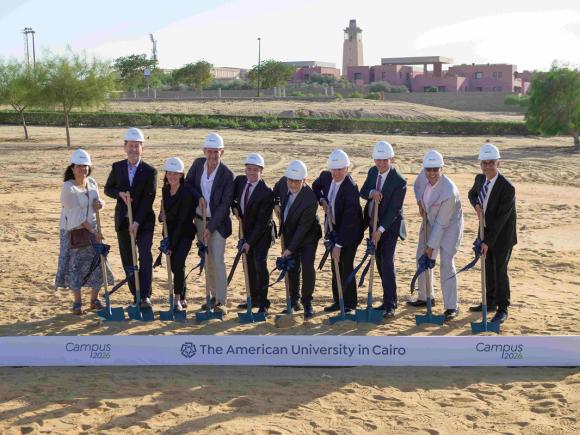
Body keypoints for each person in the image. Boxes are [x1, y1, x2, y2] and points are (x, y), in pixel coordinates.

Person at [56, 149, 114, 315]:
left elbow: (97, 201)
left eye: (86, 166)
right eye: (79, 166)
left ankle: (94, 299)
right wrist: (93, 231)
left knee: (98, 262)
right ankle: (77, 302)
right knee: (76, 266)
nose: (83, 169)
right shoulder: (68, 187)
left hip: (93, 229)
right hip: (74, 232)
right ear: (72, 168)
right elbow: (75, 215)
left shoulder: (92, 182)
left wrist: (99, 204)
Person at [104, 127, 157, 309]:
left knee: (145, 256)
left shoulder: (150, 171)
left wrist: (137, 222)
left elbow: (149, 198)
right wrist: (120, 194)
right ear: (125, 147)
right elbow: (108, 189)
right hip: (123, 222)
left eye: (137, 146)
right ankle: (136, 294)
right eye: (131, 146)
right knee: (128, 259)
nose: (134, 149)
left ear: (142, 148)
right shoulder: (117, 167)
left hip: (143, 222)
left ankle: (146, 296)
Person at [410, 150, 463, 321]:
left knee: (446, 261)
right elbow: (417, 187)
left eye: (435, 170)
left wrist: (431, 247)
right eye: (429, 170)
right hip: (429, 218)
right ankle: (426, 297)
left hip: (449, 226)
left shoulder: (449, 191)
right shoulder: (423, 175)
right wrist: (420, 202)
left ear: (442, 169)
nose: (431, 173)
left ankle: (451, 307)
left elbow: (441, 225)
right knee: (421, 256)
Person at [185, 132, 235, 315]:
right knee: (207, 261)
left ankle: (221, 301)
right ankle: (213, 297)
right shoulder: (198, 164)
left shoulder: (227, 175)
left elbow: (224, 205)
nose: (213, 155)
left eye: (217, 152)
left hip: (218, 224)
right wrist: (198, 196)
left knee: (217, 260)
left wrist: (210, 227)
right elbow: (188, 183)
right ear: (205, 151)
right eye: (210, 151)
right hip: (199, 220)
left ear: (222, 152)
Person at [468, 143, 516, 324]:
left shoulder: (507, 188)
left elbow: (501, 220)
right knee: (488, 268)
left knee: (499, 269)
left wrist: (487, 241)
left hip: (503, 236)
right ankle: (489, 301)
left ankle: (503, 308)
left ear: (498, 164)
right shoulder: (480, 179)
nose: (487, 166)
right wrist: (477, 205)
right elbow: (472, 194)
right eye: (484, 163)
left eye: (491, 163)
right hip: (485, 231)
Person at [312, 149, 364, 313]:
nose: (336, 173)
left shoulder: (351, 189)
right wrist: (321, 200)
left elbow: (349, 221)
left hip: (351, 232)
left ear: (347, 169)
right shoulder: (326, 176)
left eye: (340, 169)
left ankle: (350, 304)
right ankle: (338, 300)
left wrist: (339, 245)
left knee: (346, 265)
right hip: (333, 229)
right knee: (335, 265)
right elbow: (315, 186)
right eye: (333, 169)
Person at [360, 141, 407, 318]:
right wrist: (372, 192)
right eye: (377, 160)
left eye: (384, 160)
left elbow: (394, 210)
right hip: (373, 222)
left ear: (392, 159)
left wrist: (380, 230)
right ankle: (386, 300)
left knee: (386, 262)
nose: (380, 164)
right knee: (379, 261)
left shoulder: (399, 181)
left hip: (390, 226)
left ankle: (391, 304)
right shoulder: (373, 172)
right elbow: (363, 191)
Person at [232, 153, 275, 314]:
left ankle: (263, 302)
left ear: (261, 171)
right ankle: (252, 298)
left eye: (255, 170)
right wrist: (234, 207)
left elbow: (262, 222)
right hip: (245, 231)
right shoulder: (241, 181)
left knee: (259, 264)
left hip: (262, 234)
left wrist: (249, 242)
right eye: (249, 169)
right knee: (248, 265)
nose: (251, 172)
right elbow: (232, 199)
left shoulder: (266, 192)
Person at [279, 160, 322, 319]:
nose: (292, 183)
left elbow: (303, 228)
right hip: (290, 232)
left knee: (307, 266)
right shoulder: (284, 184)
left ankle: (307, 302)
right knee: (292, 267)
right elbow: (276, 192)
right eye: (290, 180)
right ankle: (294, 301)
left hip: (308, 237)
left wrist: (290, 249)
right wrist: (277, 204)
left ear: (304, 180)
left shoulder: (310, 199)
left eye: (297, 181)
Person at [159, 157, 196, 312]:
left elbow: (182, 220)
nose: (173, 176)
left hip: (185, 233)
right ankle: (183, 295)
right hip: (170, 233)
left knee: (178, 263)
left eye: (176, 173)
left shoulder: (186, 192)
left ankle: (177, 300)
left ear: (181, 174)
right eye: (170, 173)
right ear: (166, 174)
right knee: (175, 267)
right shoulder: (165, 190)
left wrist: (171, 245)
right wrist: (161, 217)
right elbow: (162, 215)